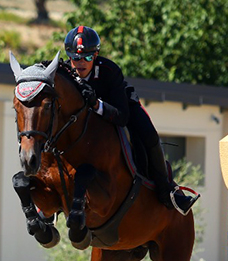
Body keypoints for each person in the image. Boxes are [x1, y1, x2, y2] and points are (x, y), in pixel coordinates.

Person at [63, 25, 199, 215]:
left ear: (95, 55)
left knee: (150, 136)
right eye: (75, 57)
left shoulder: (110, 71)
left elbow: (121, 116)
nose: (80, 63)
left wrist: (96, 105)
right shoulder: (65, 73)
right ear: (69, 57)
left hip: (119, 107)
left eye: (87, 57)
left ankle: (166, 190)